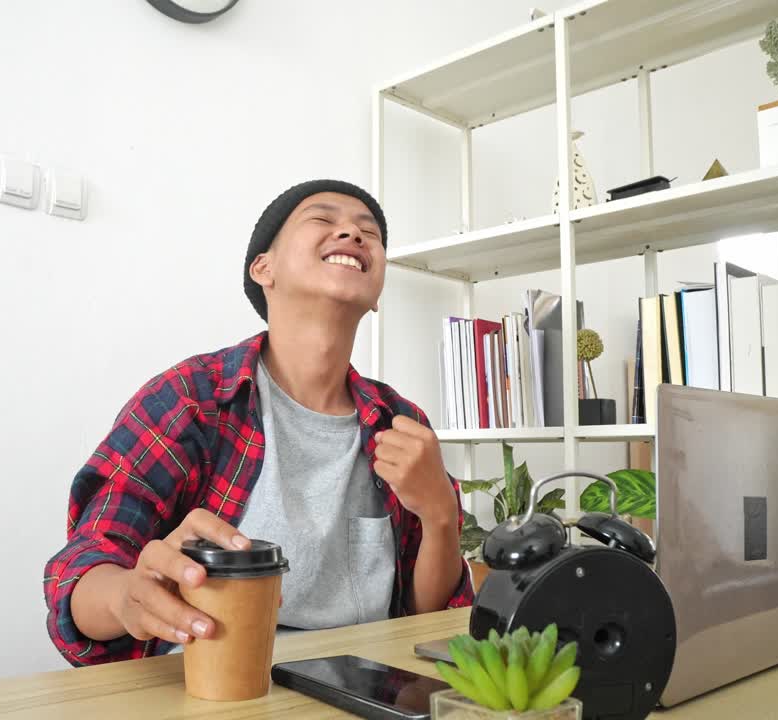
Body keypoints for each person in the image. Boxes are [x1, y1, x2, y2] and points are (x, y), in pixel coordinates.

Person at [43, 179, 474, 666]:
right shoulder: (192, 400)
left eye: (368, 232)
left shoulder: (400, 423)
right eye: (324, 219)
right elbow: (81, 570)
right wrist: (126, 596)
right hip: (214, 689)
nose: (353, 235)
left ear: (376, 293)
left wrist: (439, 514)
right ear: (263, 268)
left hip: (369, 689)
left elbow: (429, 620)